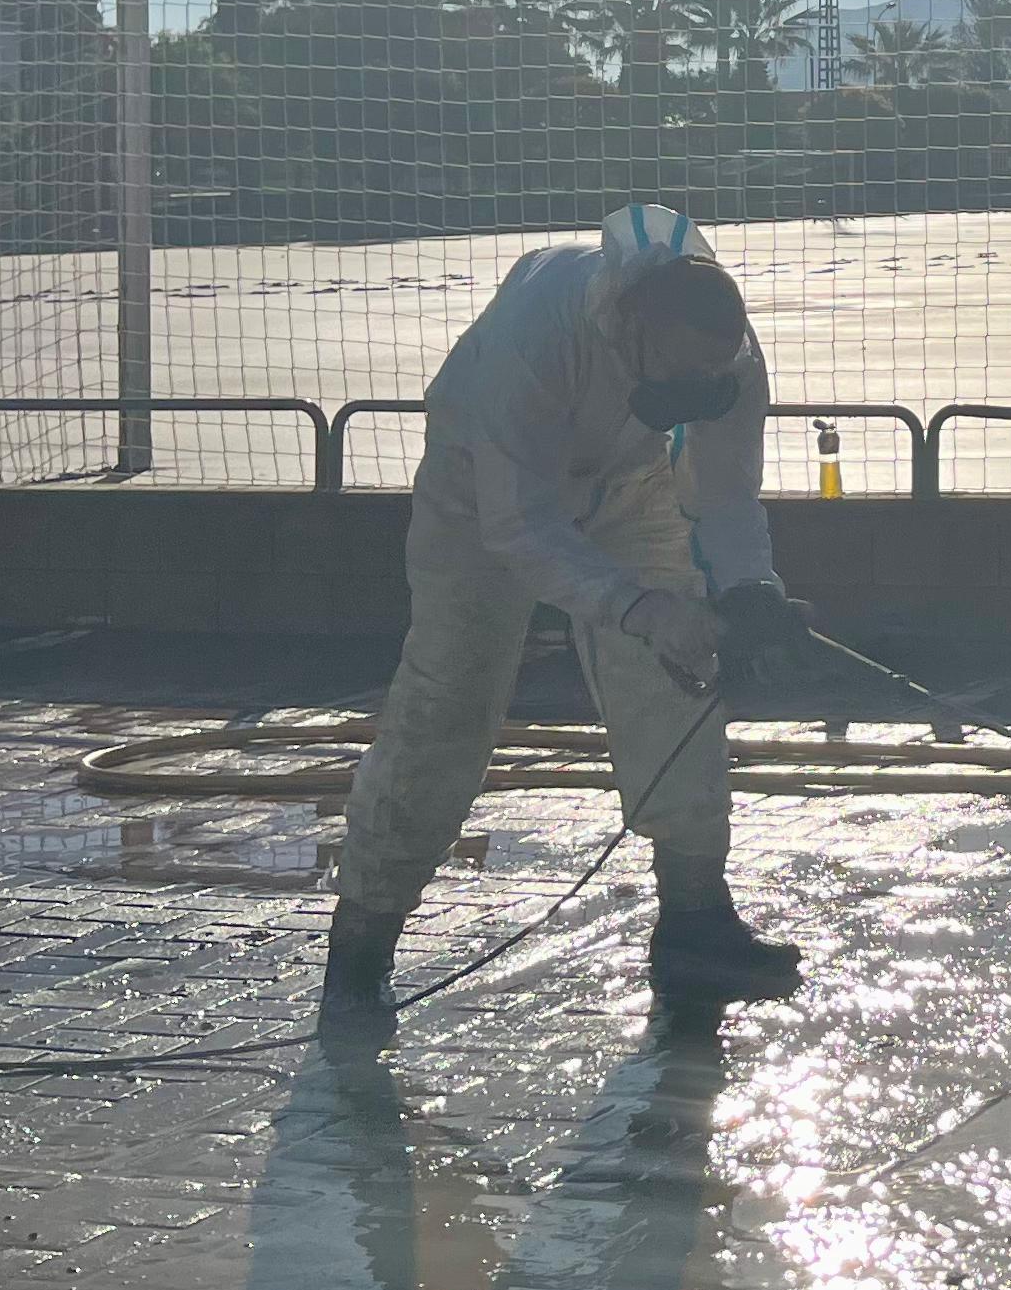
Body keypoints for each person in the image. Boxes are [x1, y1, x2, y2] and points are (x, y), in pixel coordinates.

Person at [322, 205, 811, 1034]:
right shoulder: (533, 340)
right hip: (483, 486)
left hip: (632, 483)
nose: (698, 396)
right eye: (680, 382)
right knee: (450, 698)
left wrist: (748, 588)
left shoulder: (728, 357)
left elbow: (725, 494)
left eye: (709, 384)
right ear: (628, 329)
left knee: (679, 681)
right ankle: (362, 942)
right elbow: (520, 529)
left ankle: (695, 920)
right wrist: (638, 607)